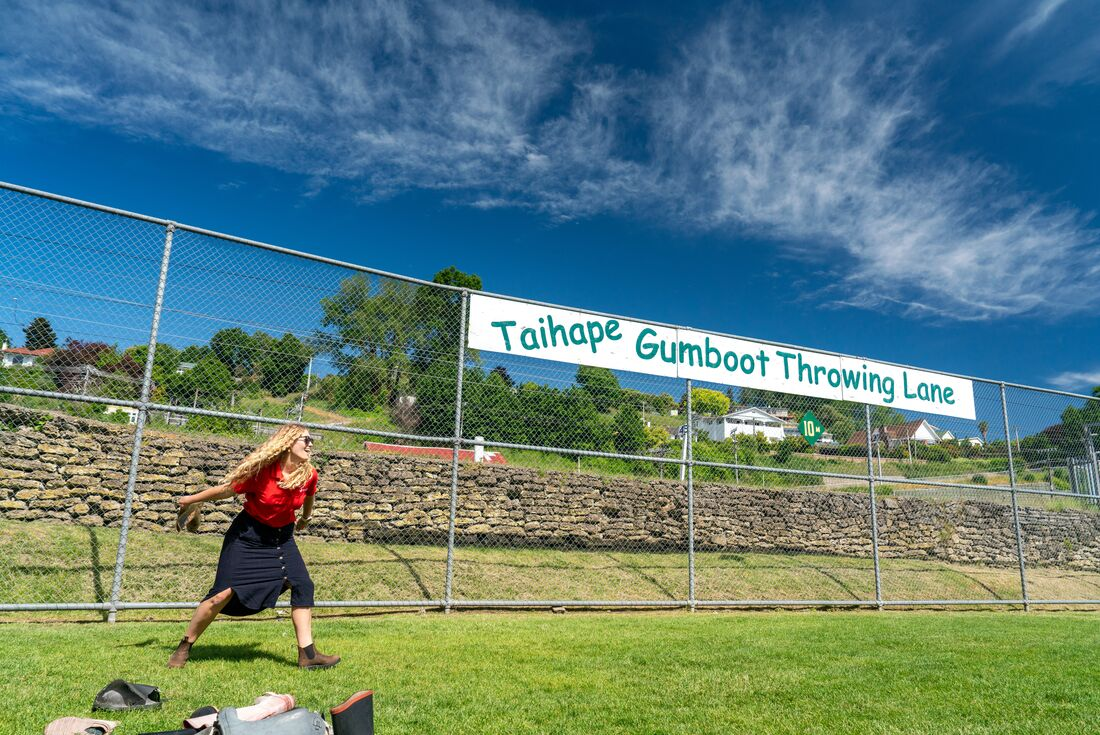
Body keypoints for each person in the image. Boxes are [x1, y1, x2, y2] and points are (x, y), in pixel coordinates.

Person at [167, 423, 340, 670]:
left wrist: (305, 517)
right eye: (306, 439)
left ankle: (308, 655)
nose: (310, 444)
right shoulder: (262, 472)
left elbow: (310, 495)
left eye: (311, 440)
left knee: (303, 584)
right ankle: (185, 646)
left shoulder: (308, 474)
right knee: (221, 594)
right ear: (288, 443)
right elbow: (225, 491)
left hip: (282, 538)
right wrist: (190, 500)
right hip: (248, 537)